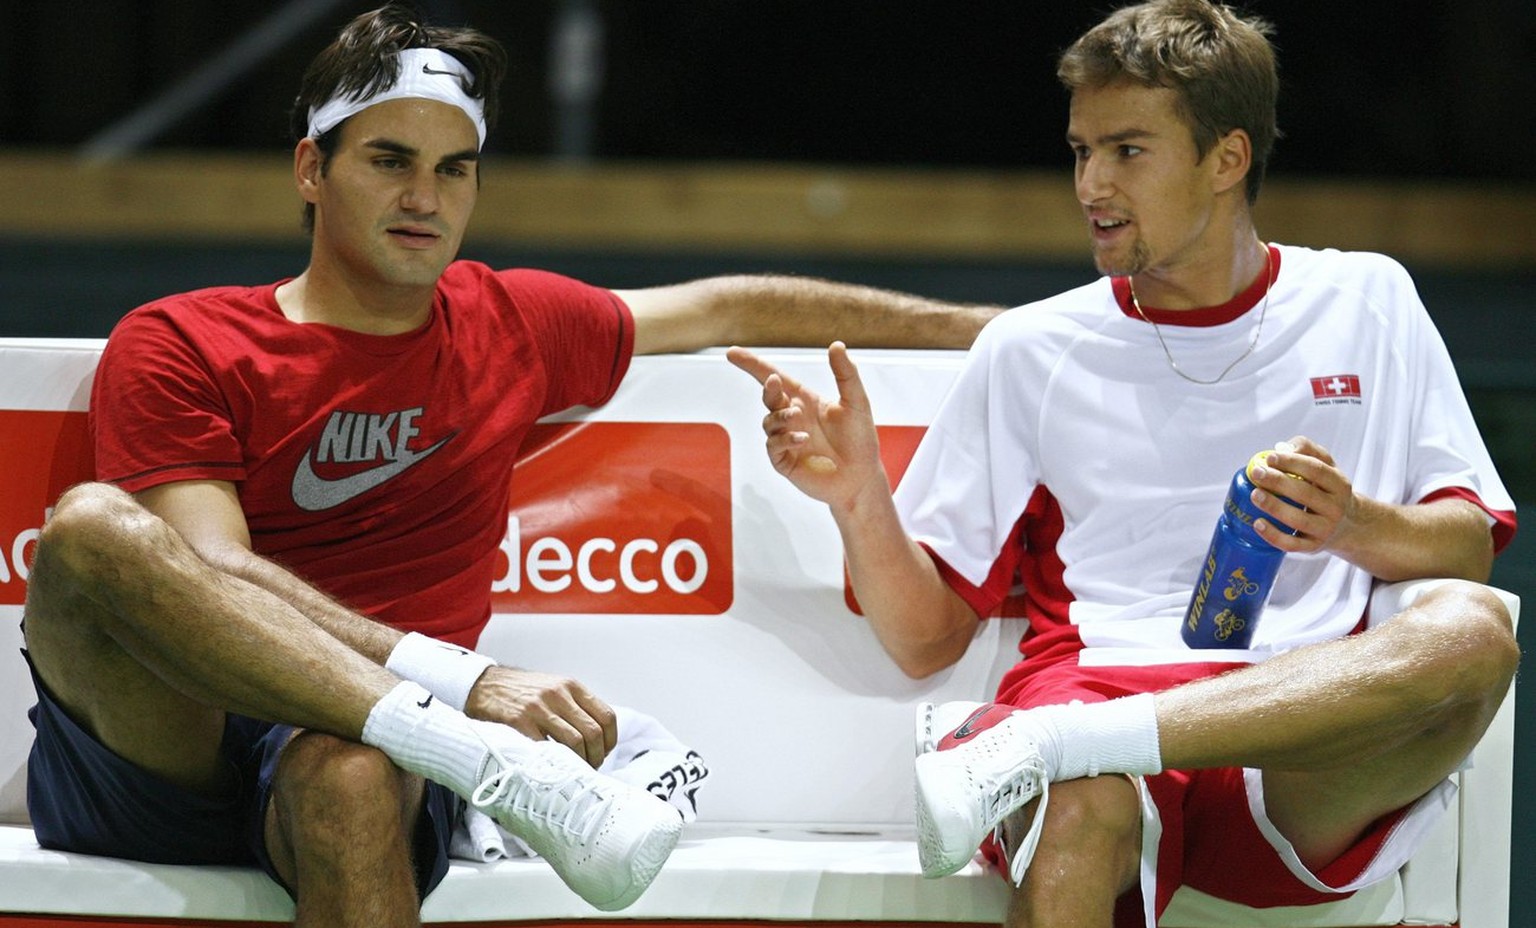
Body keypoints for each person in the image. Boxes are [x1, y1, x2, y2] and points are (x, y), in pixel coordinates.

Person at [18, 5, 1003, 927]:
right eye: (390, 160)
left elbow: (728, 306)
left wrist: (988, 330)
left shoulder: (512, 322)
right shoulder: (181, 338)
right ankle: (482, 760)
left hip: (368, 754)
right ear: (311, 169)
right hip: (174, 741)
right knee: (93, 533)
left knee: (351, 771)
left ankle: (445, 746)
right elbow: (211, 573)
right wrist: (468, 689)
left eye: (455, 169)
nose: (424, 197)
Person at [728, 1, 1519, 926]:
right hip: (1096, 725)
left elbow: (1468, 548)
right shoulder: (1031, 348)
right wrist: (859, 496)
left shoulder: (1370, 298)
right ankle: (1068, 746)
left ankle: (1054, 743)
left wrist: (1352, 525)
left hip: (1296, 741)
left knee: (1472, 631)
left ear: (1227, 158)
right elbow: (922, 637)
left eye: (1128, 151)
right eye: (1080, 151)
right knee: (1081, 802)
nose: (1092, 183)